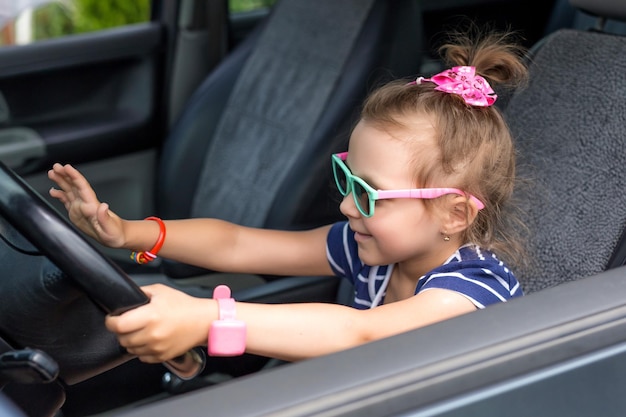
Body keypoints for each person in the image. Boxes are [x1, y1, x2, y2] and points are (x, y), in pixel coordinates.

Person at [48, 30, 527, 364]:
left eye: (368, 194)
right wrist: (130, 232)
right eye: (347, 180)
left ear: (454, 213)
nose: (345, 206)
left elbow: (357, 333)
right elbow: (239, 245)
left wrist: (210, 317)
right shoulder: (377, 252)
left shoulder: (474, 288)